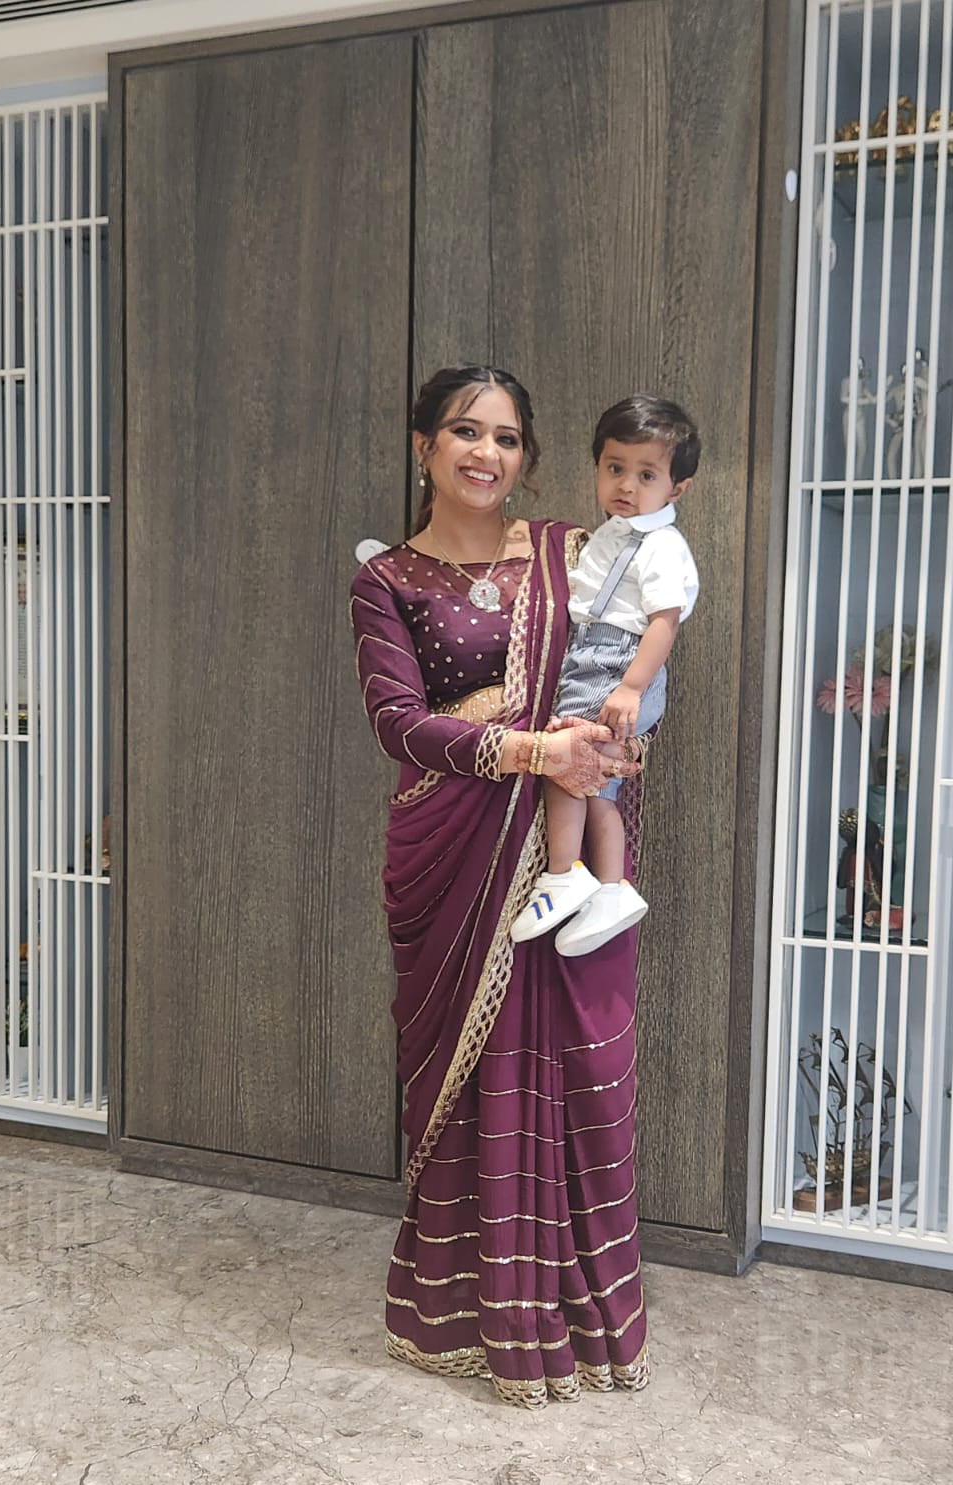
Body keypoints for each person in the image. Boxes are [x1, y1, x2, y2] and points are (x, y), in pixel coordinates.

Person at [350, 364, 652, 1409]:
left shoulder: (573, 554)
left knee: (570, 1068)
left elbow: (638, 651)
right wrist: (532, 750)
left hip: (572, 857)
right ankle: (468, 1324)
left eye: (509, 437)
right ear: (424, 446)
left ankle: (582, 1322)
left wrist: (612, 744)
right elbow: (399, 723)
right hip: (456, 852)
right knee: (475, 1085)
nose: (488, 453)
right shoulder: (387, 580)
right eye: (465, 432)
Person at [509, 396, 699, 956]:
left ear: (677, 489)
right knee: (596, 783)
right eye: (614, 468)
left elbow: (665, 622)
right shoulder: (618, 530)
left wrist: (631, 685)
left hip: (614, 660)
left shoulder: (661, 545)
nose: (626, 484)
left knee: (566, 764)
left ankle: (565, 873)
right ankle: (612, 888)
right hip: (597, 655)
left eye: (647, 474)